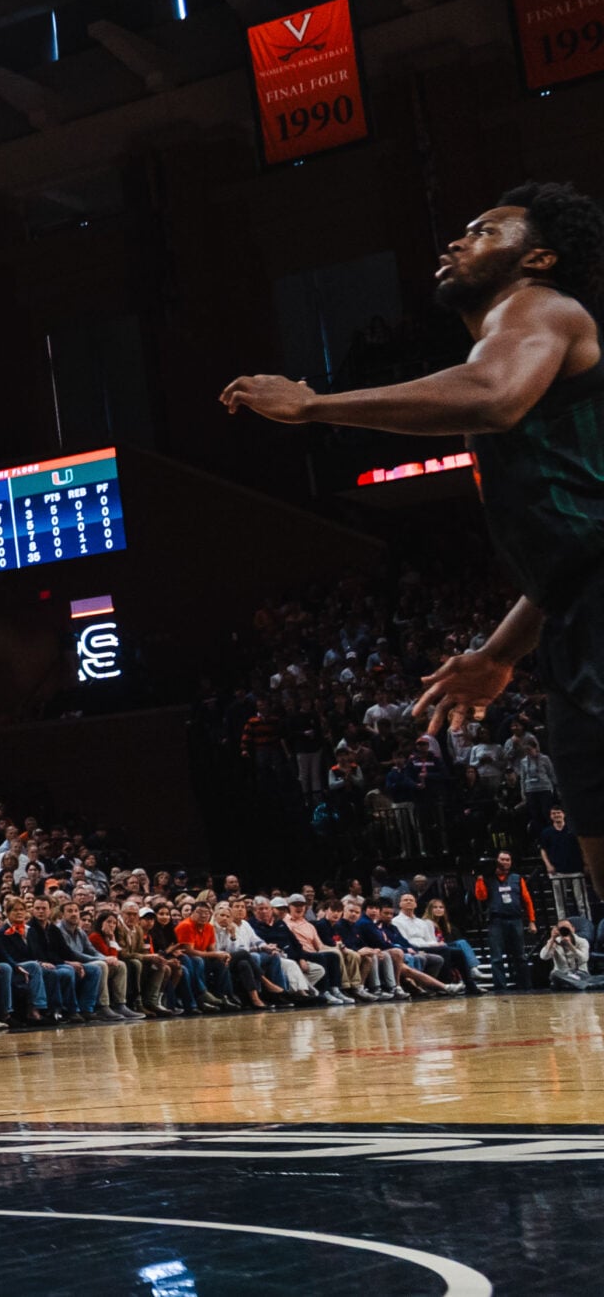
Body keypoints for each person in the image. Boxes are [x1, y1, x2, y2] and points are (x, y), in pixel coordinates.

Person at [223, 184, 604, 892]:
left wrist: (313, 404)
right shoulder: (524, 357)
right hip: (572, 625)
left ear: (541, 257)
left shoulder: (539, 307)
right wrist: (497, 654)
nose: (457, 241)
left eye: (486, 232)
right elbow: (578, 556)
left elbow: (493, 394)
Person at [477, 853, 539, 991]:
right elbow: (481, 896)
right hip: (496, 920)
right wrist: (480, 879)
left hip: (515, 919)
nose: (505, 862)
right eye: (502, 859)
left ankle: (526, 986)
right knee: (496, 957)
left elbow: (527, 901)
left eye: (508, 860)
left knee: (520, 956)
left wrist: (532, 921)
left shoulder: (517, 878)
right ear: (496, 861)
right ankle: (500, 988)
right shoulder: (488, 879)